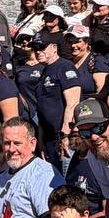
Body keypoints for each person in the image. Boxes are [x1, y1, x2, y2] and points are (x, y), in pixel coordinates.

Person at [32, 34, 81, 171]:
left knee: (66, 176)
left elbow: (73, 103)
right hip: (49, 138)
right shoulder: (45, 71)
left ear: (54, 48)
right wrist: (41, 138)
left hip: (63, 138)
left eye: (42, 47)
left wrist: (65, 135)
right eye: (35, 48)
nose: (38, 51)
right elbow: (41, 108)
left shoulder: (65, 67)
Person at [65, 24, 109, 98]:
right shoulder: (66, 64)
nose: (73, 45)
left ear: (86, 43)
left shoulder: (97, 61)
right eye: (69, 42)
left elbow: (102, 92)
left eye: (77, 41)